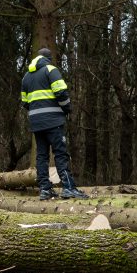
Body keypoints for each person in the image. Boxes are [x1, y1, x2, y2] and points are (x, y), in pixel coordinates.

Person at [20, 47, 89, 200]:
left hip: (36, 122)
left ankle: (45, 189)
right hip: (53, 120)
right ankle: (68, 187)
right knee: (60, 153)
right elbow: (61, 93)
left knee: (42, 155)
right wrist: (66, 108)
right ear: (49, 59)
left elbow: (25, 102)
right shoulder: (51, 70)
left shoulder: (26, 76)